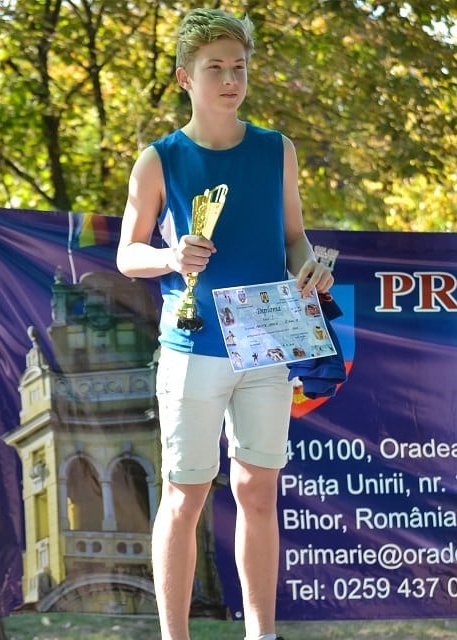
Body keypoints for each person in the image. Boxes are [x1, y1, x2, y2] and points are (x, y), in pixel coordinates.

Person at [116, 8, 333, 640]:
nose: (231, 80)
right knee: (185, 497)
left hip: (267, 344)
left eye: (239, 67)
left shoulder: (276, 149)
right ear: (186, 77)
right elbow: (128, 254)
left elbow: (294, 238)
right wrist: (168, 256)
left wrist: (309, 266)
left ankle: (262, 633)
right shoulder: (159, 159)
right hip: (192, 348)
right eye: (216, 68)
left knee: (258, 492)